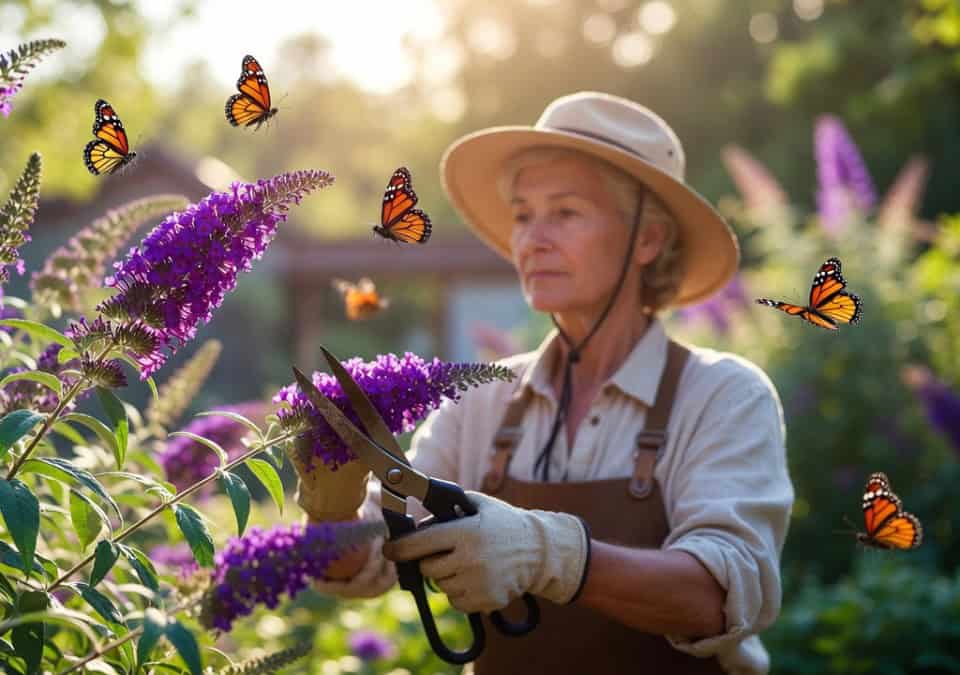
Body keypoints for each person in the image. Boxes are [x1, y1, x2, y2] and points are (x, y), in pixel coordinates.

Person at [292, 92, 794, 674]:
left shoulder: (723, 396)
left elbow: (721, 597)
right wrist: (333, 509)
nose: (532, 239)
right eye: (524, 215)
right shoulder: (482, 398)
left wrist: (550, 554)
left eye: (566, 212)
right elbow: (372, 558)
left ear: (648, 240)